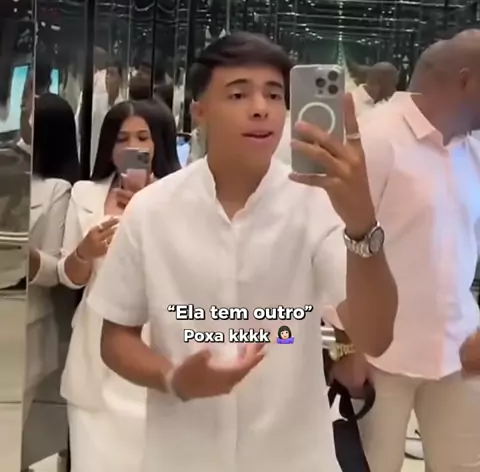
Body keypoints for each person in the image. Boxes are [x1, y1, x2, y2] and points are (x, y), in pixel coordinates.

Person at [87, 32, 397, 472]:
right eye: (238, 94)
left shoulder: (315, 205)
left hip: (292, 457)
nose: (260, 107)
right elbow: (116, 336)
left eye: (274, 94)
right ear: (199, 111)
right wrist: (173, 378)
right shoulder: (152, 210)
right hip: (182, 455)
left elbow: (376, 336)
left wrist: (363, 225)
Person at [338, 30, 480, 472]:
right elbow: (332, 244)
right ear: (466, 80)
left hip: (459, 351)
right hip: (379, 357)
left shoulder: (471, 149)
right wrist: (345, 346)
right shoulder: (376, 140)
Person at [58, 100, 180, 472]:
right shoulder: (84, 194)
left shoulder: (182, 197)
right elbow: (69, 276)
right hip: (93, 353)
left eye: (143, 137)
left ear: (159, 142)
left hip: (157, 347)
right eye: (122, 138)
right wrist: (85, 251)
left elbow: (189, 273)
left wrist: (148, 210)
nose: (132, 147)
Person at [25, 94, 79, 418]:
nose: (23, 118)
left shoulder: (57, 189)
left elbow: (53, 270)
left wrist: (16, 245)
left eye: (29, 113)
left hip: (27, 326)